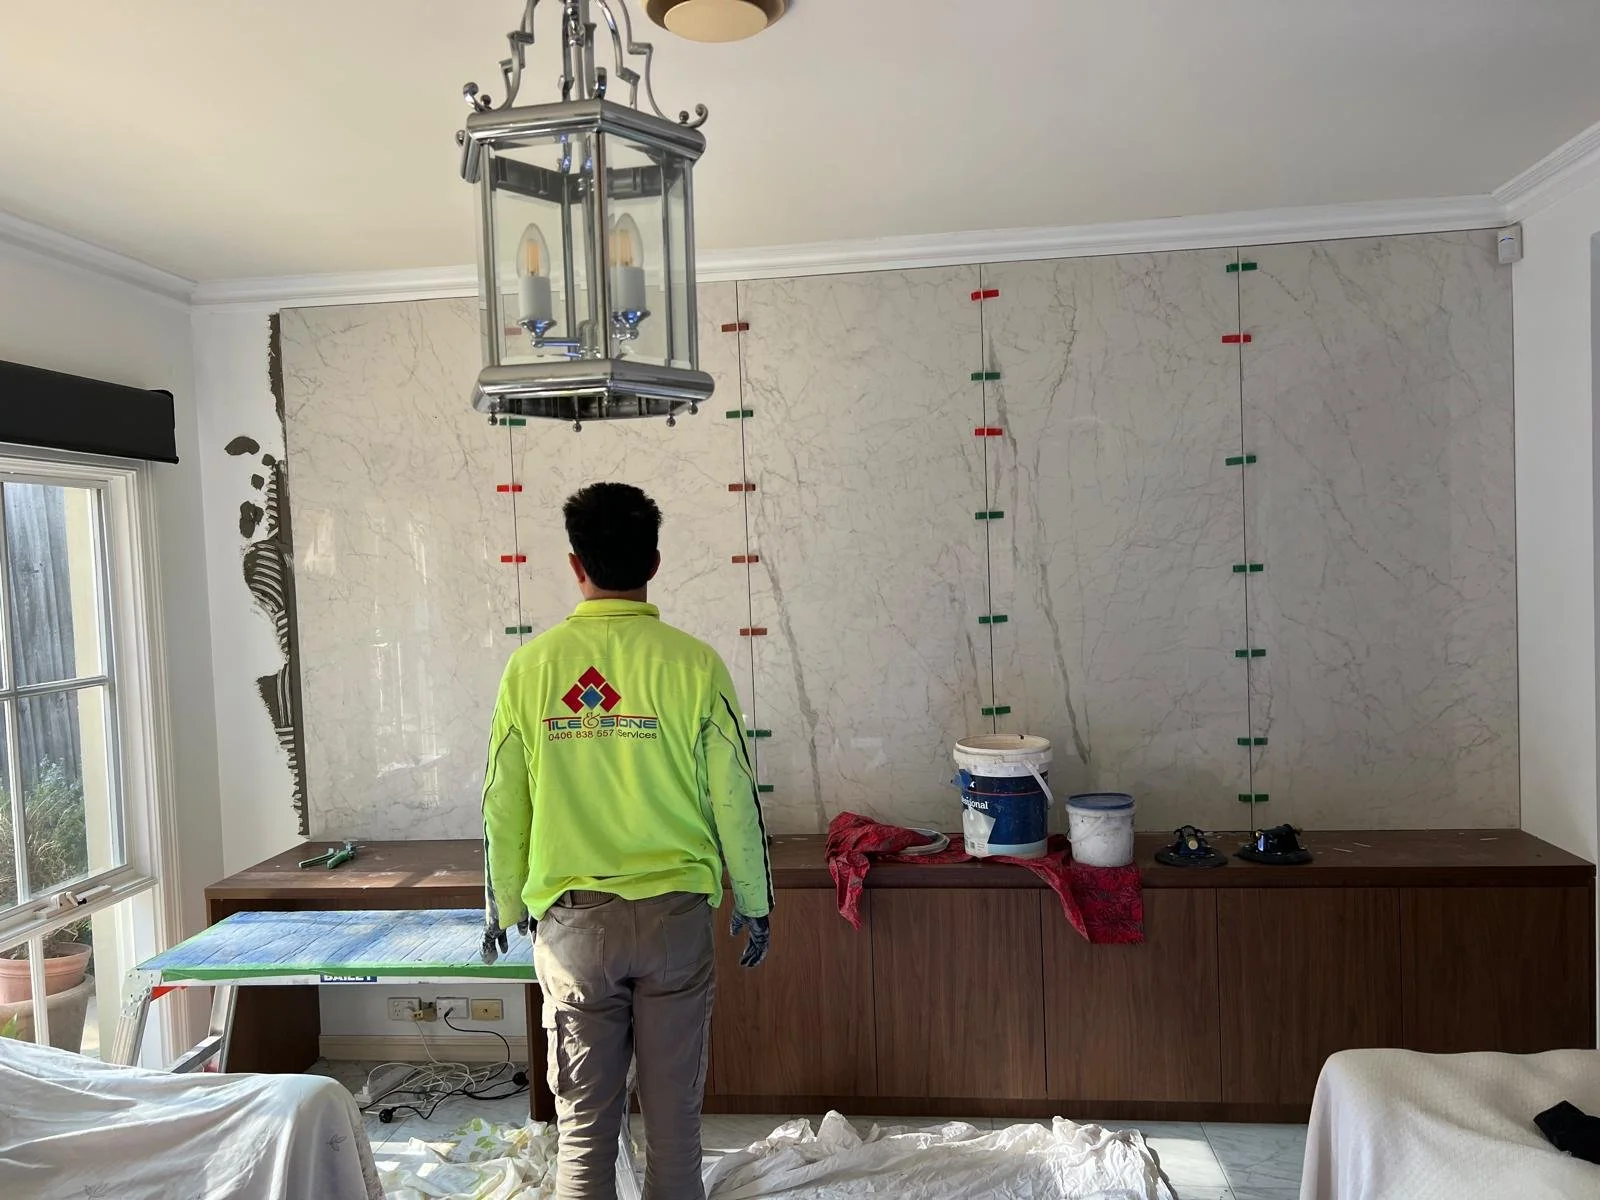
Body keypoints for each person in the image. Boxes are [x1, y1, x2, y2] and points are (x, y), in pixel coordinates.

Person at [480, 481, 774, 1200]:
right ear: (655, 562)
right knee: (675, 1128)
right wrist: (755, 899)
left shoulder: (531, 669)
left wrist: (503, 905)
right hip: (675, 923)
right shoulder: (695, 665)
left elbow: (503, 803)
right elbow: (735, 796)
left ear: (575, 565)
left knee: (584, 1132)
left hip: (575, 928)